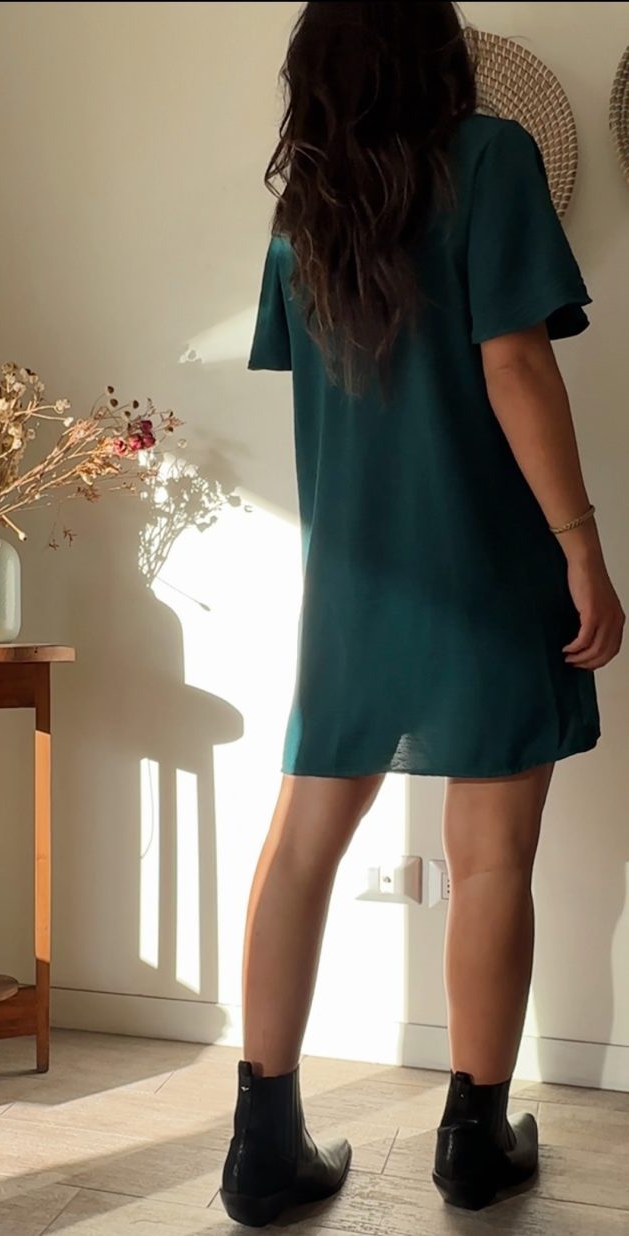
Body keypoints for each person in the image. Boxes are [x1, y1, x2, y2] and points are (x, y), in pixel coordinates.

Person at [220, 1, 624, 1225]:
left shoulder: (307, 206)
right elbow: (513, 362)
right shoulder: (490, 157)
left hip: (353, 583)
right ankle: (472, 1141)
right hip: (487, 566)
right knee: (491, 855)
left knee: (299, 843)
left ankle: (259, 1147)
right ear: (431, 46)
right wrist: (582, 544)